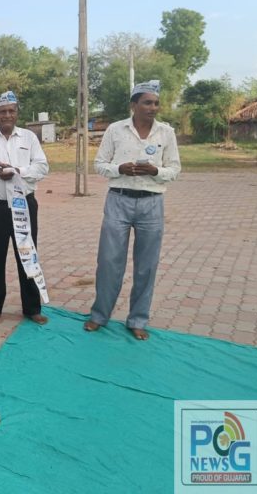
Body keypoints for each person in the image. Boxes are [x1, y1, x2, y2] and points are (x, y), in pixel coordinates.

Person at [84, 80, 181, 341]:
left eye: (156, 103)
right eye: (147, 102)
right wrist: (120, 169)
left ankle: (138, 319)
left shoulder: (166, 133)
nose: (153, 107)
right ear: (133, 105)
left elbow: (174, 169)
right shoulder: (116, 130)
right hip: (119, 199)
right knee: (109, 261)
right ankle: (99, 315)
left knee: (146, 265)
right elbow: (99, 164)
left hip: (152, 202)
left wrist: (155, 171)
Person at [0, 91, 49, 324]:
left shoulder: (29, 138)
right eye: (2, 111)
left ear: (17, 113)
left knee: (27, 255)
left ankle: (32, 308)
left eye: (11, 111)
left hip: (24, 206)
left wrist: (17, 171)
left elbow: (42, 167)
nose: (7, 115)